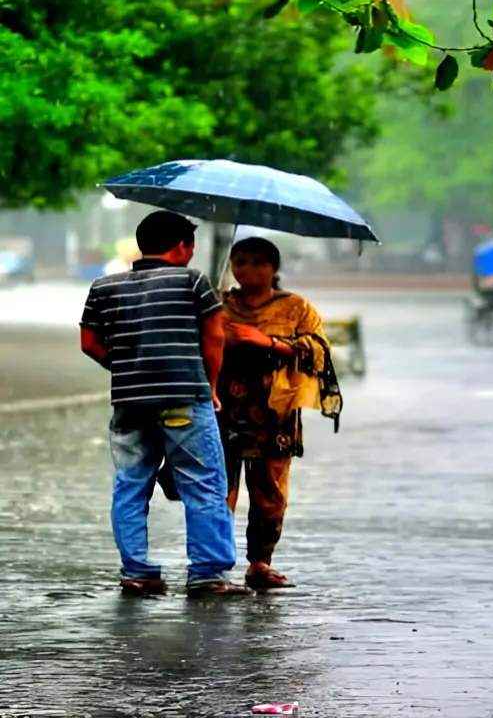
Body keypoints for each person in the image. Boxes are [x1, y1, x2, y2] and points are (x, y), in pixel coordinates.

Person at [79, 210, 248, 597]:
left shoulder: (103, 286)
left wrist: (125, 367)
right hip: (183, 400)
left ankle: (138, 572)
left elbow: (89, 342)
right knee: (203, 483)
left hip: (129, 404)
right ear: (183, 245)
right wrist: (212, 386)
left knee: (130, 484)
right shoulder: (193, 281)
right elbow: (214, 338)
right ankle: (207, 573)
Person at [218, 237, 342, 590]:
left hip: (276, 413)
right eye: (240, 262)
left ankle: (260, 562)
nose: (248, 270)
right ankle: (213, 562)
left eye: (258, 263)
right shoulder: (219, 303)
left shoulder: (296, 308)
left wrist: (267, 342)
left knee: (269, 490)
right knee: (221, 488)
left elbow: (319, 351)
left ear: (274, 269)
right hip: (224, 408)